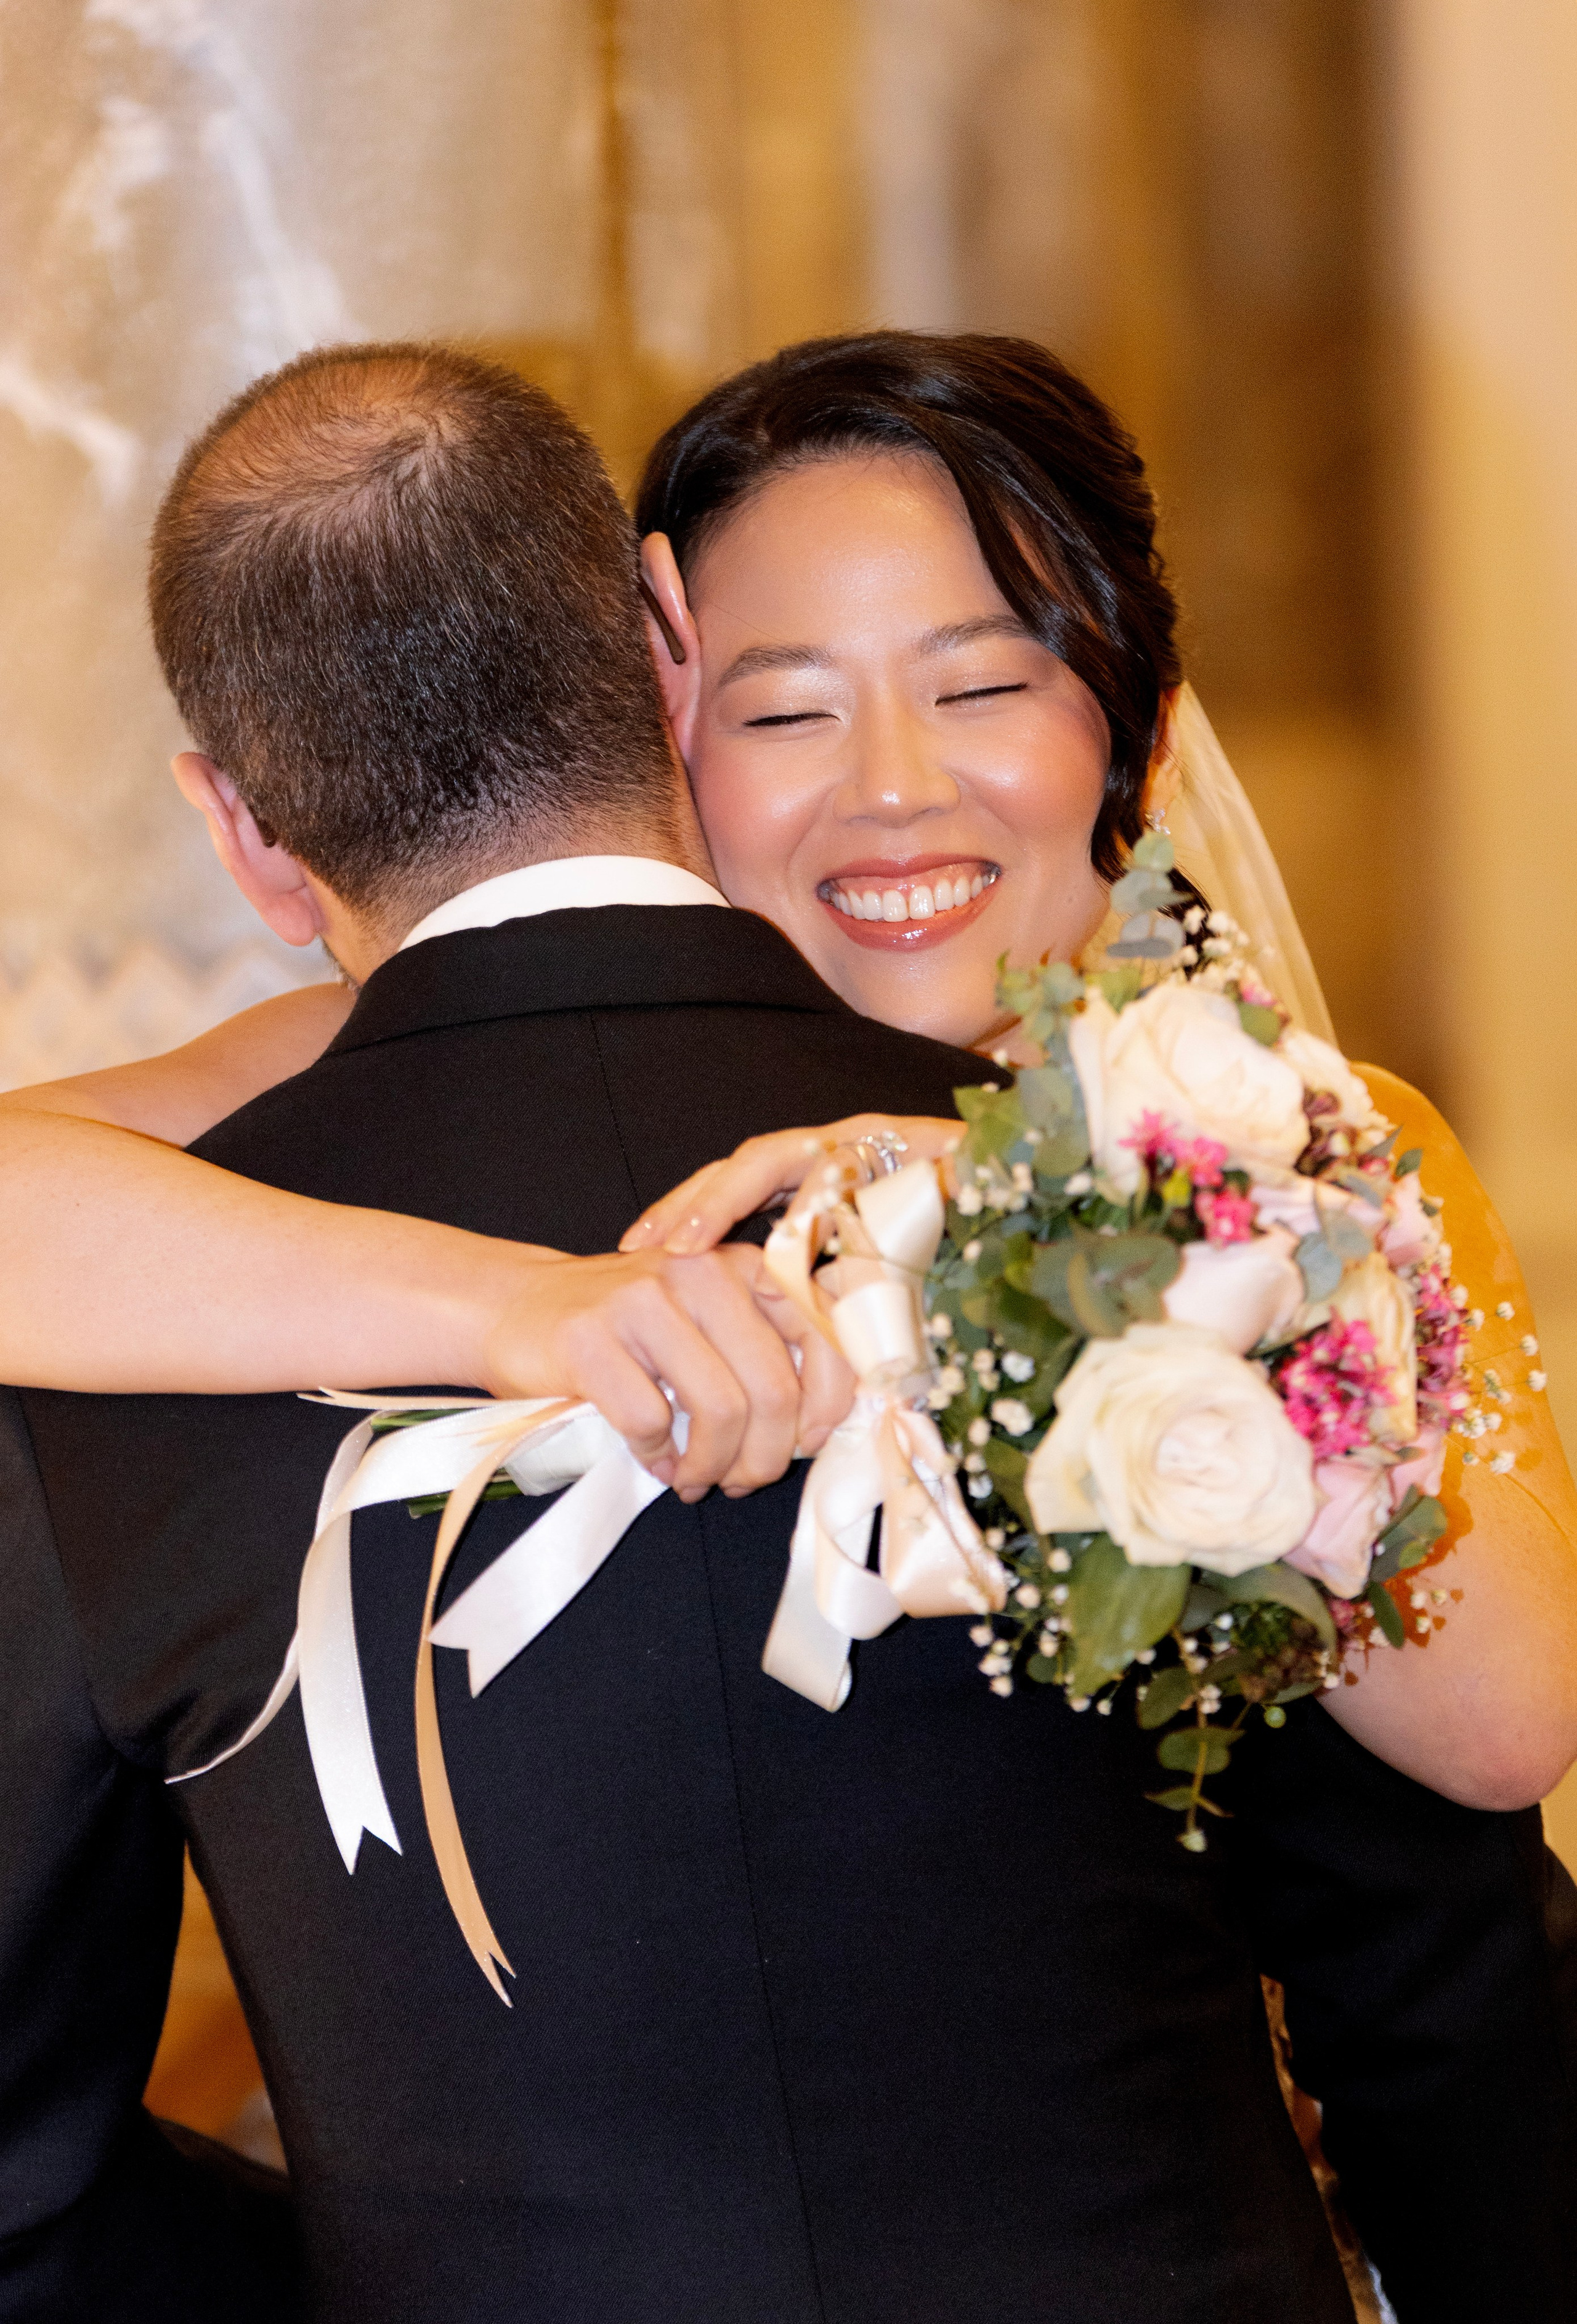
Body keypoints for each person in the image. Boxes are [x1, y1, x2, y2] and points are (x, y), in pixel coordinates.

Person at [1, 332, 1573, 2316]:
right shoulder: (301, 1142)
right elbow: (1442, 1982)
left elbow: (1478, 1820)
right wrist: (522, 1307)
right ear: (664, 672)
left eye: (984, 680)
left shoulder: (1228, 1212)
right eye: (788, 708)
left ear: (1137, 735)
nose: (894, 790)